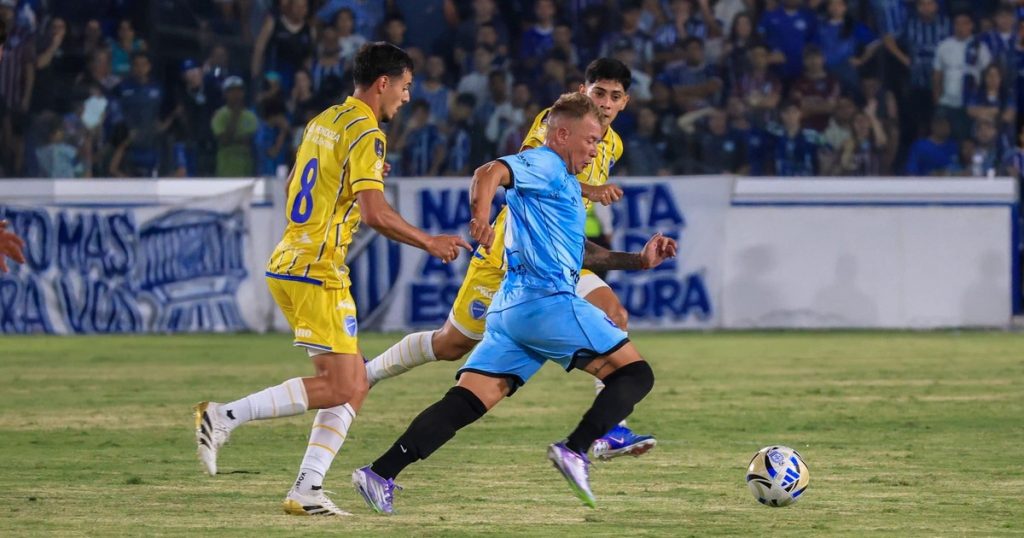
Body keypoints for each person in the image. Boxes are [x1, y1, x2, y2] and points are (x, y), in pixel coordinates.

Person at [352, 92, 677, 513]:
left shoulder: (561, 183)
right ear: (562, 133)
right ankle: (578, 448)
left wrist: (638, 261)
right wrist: (482, 219)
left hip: (511, 309)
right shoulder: (544, 162)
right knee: (636, 375)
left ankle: (379, 473)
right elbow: (488, 172)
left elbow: (580, 252)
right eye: (591, 139)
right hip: (546, 301)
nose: (595, 149)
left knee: (467, 401)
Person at [192, 42, 472, 517]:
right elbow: (376, 213)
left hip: (290, 260)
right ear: (383, 83)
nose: (406, 98)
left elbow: (293, 187)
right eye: (404, 88)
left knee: (354, 382)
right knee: (343, 385)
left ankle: (307, 488)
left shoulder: (323, 121)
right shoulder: (368, 132)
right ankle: (222, 416)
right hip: (318, 271)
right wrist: (429, 241)